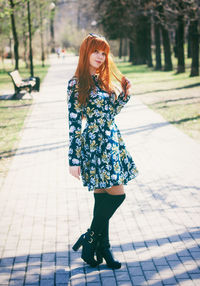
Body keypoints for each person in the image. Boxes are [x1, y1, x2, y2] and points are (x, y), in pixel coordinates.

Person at [67, 33, 138, 269]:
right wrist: (73, 159)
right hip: (95, 145)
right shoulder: (76, 83)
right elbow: (75, 123)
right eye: (96, 51)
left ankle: (101, 246)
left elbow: (109, 113)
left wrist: (124, 97)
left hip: (112, 141)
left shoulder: (102, 80)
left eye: (103, 52)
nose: (100, 56)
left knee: (103, 197)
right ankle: (91, 237)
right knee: (118, 194)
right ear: (86, 52)